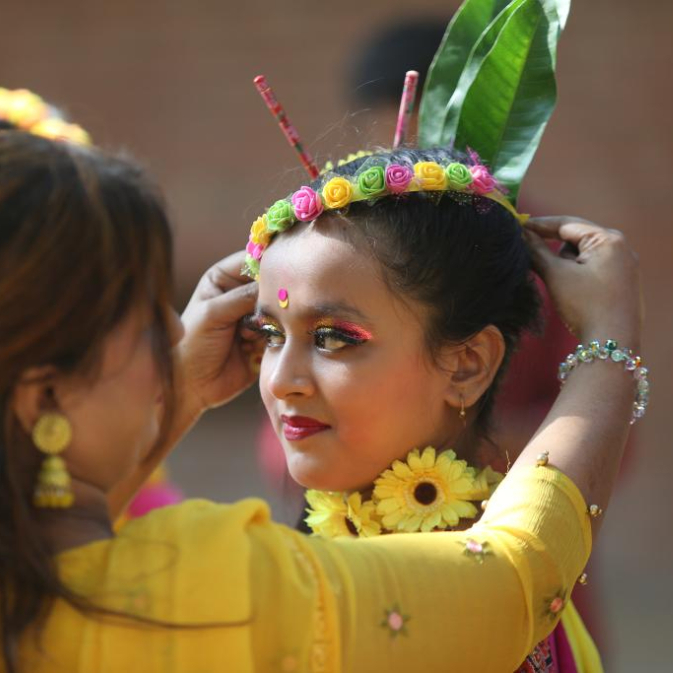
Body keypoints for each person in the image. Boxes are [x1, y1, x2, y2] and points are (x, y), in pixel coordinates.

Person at [0, 125, 642, 673]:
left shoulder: (30, 576)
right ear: (44, 394)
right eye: (140, 319)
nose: (175, 334)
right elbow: (516, 580)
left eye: (333, 337)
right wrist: (608, 344)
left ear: (468, 363)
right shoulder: (202, 581)